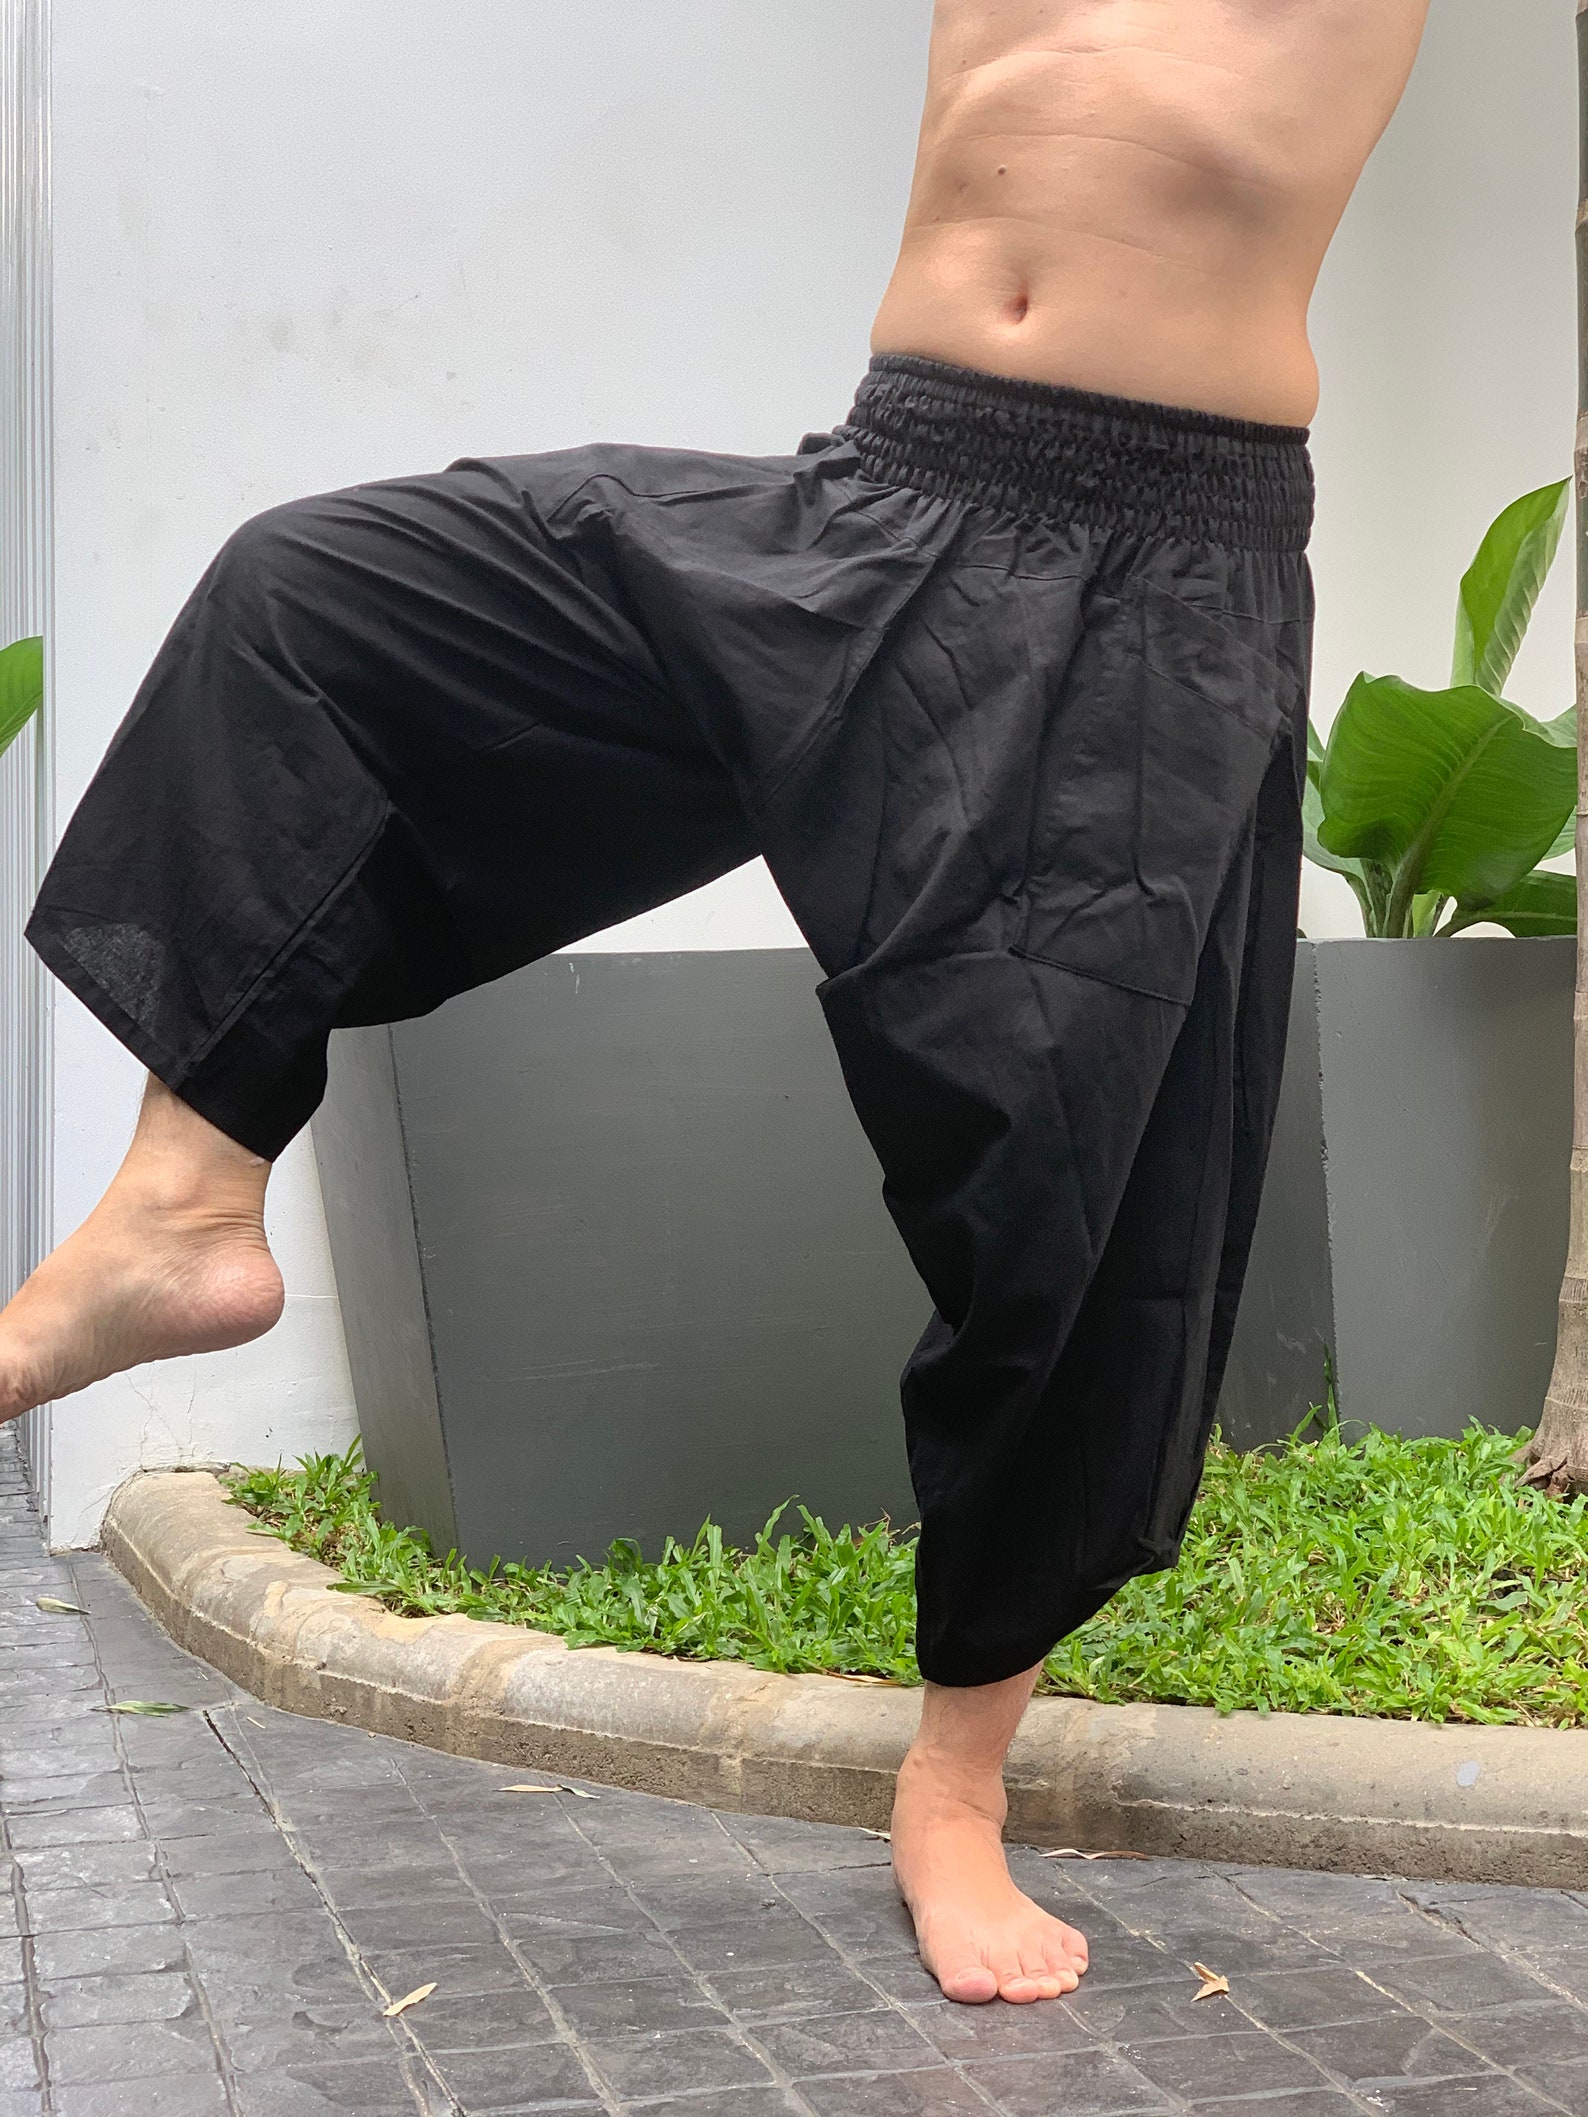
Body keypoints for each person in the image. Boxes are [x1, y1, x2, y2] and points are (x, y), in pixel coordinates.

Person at [0, 0, 1431, 2007]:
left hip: (1153, 569)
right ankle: (179, 1205)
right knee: (310, 608)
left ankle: (956, 1784)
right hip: (879, 489)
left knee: (1065, 1207)